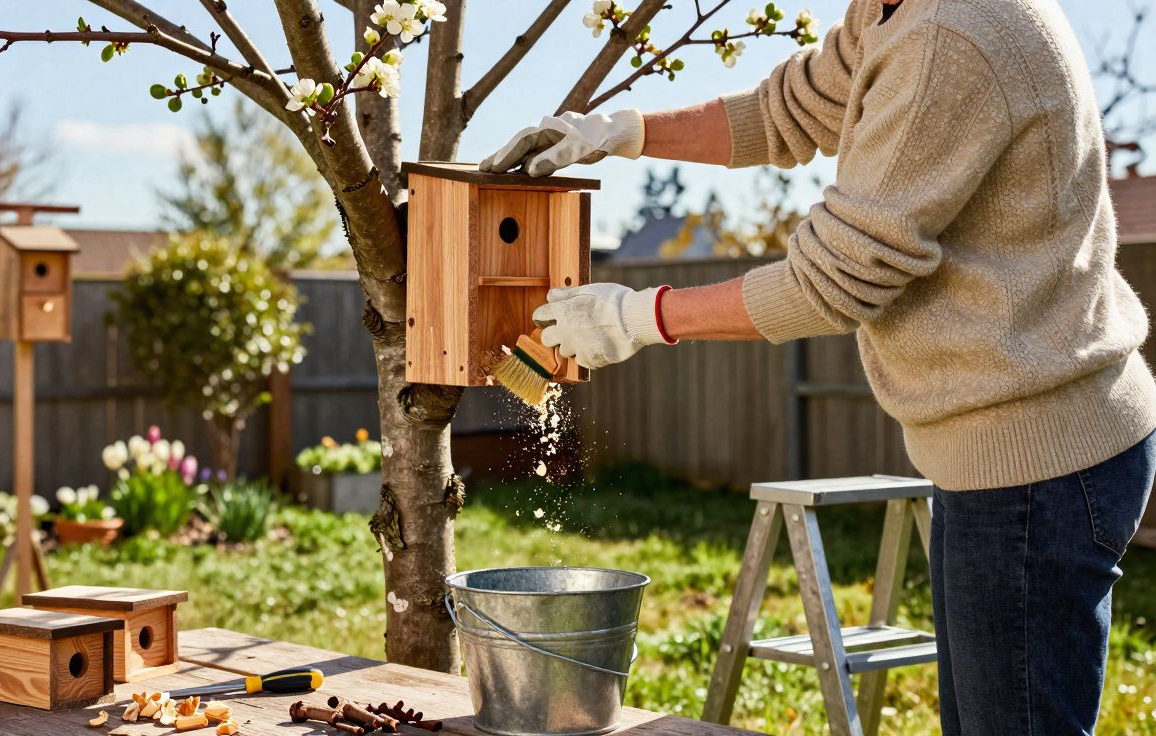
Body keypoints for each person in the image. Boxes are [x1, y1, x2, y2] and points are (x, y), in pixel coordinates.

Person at [480, 0, 1155, 732]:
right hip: (998, 452)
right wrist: (621, 132)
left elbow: (833, 281)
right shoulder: (896, 10)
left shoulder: (950, 33)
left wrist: (639, 318)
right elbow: (787, 113)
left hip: (1038, 459)